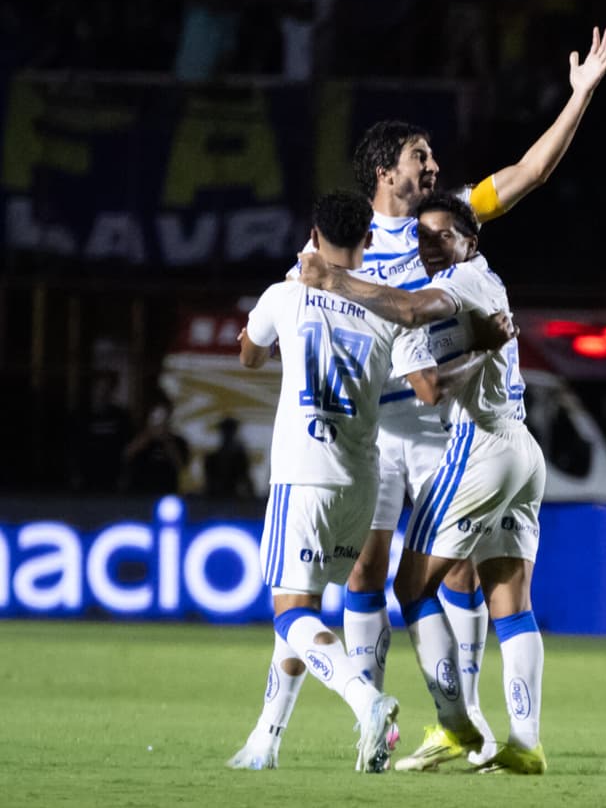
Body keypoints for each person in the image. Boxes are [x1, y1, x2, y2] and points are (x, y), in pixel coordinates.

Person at [266, 24, 606, 767]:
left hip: (449, 428)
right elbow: (307, 314)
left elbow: (528, 172)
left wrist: (580, 94)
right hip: (378, 436)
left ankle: (462, 719)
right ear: (388, 172)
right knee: (370, 575)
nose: (436, 165)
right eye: (422, 156)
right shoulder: (343, 240)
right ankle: (377, 724)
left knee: (457, 575)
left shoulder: (451, 222)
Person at [299, 192, 547, 775]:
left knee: (410, 588)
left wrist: (333, 279)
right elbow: (438, 373)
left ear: (471, 241)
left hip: (480, 445)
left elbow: (412, 316)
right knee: (510, 603)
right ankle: (526, 742)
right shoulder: (481, 292)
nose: (431, 246)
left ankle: (456, 724)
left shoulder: (464, 280)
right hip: (522, 448)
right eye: (423, 238)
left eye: (443, 235)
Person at [228, 189, 440, 774]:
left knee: (291, 614)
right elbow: (424, 379)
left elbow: (248, 356)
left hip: (304, 474)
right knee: (306, 609)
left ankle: (367, 702)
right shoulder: (385, 308)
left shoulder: (286, 294)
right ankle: (266, 739)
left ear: (313, 236)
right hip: (360, 484)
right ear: (368, 241)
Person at [122, 392, 190, 495]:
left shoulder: (178, 441)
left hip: (167, 494)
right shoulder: (137, 437)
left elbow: (180, 466)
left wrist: (167, 441)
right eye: (155, 418)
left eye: (163, 418)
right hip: (138, 493)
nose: (159, 423)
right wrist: (147, 436)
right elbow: (126, 455)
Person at [204, 416, 255, 499]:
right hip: (216, 500)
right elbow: (209, 484)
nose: (228, 434)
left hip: (235, 500)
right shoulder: (212, 459)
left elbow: (246, 480)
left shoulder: (240, 458)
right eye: (227, 431)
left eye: (231, 431)